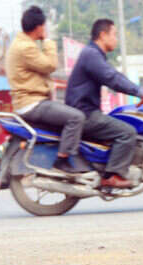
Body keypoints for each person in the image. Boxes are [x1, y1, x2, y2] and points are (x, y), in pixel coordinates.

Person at [65, 18, 143, 188]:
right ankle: (112, 175)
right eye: (114, 34)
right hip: (85, 114)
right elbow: (112, 79)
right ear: (103, 35)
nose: (116, 39)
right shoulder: (91, 55)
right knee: (127, 132)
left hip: (85, 111)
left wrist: (139, 90)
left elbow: (115, 75)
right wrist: (139, 92)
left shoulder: (94, 55)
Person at [5, 6, 87, 174]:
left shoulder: (22, 44)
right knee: (76, 117)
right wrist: (48, 41)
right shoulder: (25, 47)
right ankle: (62, 160)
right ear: (39, 27)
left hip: (32, 102)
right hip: (32, 104)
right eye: (44, 26)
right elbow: (50, 65)